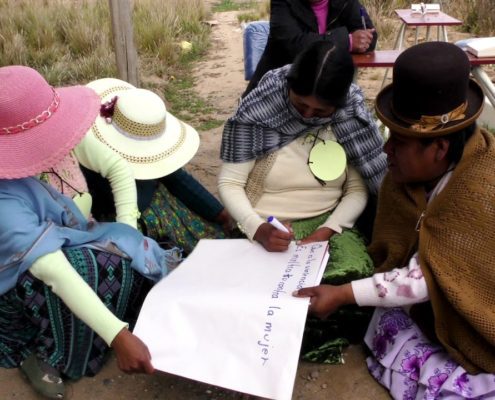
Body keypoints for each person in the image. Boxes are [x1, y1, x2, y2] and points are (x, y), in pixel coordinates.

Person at [294, 41, 495, 398]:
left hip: (480, 308)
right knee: (385, 322)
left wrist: (341, 294)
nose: (386, 149)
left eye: (398, 142)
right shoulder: (405, 181)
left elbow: (428, 278)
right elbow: (405, 244)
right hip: (426, 297)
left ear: (439, 148)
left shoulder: (480, 193)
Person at [0, 66, 181, 399]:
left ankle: (110, 316)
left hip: (78, 235)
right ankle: (47, 353)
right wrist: (117, 336)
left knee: (125, 257)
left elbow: (117, 168)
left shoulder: (58, 137)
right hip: (17, 276)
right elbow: (49, 267)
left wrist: (126, 228)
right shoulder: (4, 199)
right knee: (87, 269)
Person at [219, 41, 386, 363]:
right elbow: (230, 183)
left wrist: (327, 230)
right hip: (265, 222)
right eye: (299, 105)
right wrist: (256, 228)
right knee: (249, 288)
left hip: (327, 221)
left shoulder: (350, 117)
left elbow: (357, 189)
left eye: (320, 112)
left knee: (351, 276)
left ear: (338, 104)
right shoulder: (260, 109)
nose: (307, 116)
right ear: (288, 89)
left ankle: (287, 343)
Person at [80, 78, 234, 256]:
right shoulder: (87, 158)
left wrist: (217, 212)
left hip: (166, 211)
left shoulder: (155, 165)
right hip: (121, 228)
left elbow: (177, 178)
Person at [244, 0, 377, 95]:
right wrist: (348, 41)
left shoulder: (346, 2)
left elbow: (370, 35)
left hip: (326, 90)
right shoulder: (283, 2)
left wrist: (363, 40)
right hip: (278, 88)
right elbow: (293, 44)